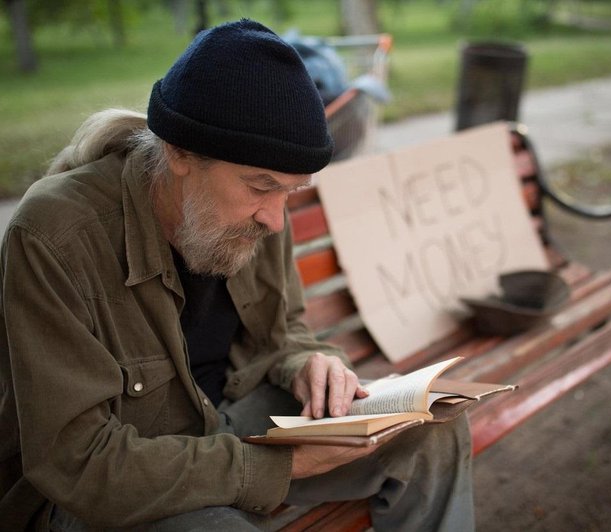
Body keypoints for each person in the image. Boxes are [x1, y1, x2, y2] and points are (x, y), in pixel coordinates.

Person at [0, 19, 474, 531]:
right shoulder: (55, 235)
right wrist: (279, 465)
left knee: (432, 432)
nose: (274, 219)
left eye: (288, 192)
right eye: (260, 186)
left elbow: (285, 329)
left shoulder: (264, 213)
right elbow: (79, 463)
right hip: (120, 480)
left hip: (232, 421)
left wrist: (308, 362)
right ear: (178, 153)